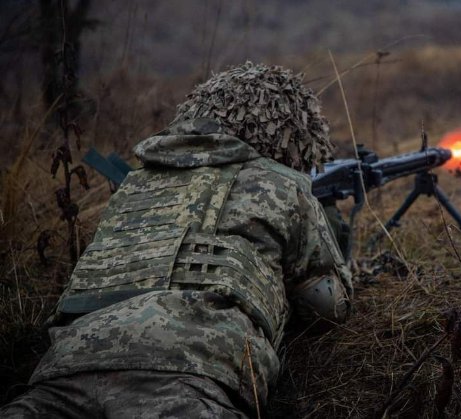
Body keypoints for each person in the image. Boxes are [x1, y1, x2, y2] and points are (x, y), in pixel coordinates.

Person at [1, 62, 353, 418]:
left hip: (65, 367)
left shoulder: (134, 185)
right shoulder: (281, 185)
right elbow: (326, 307)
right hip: (189, 371)